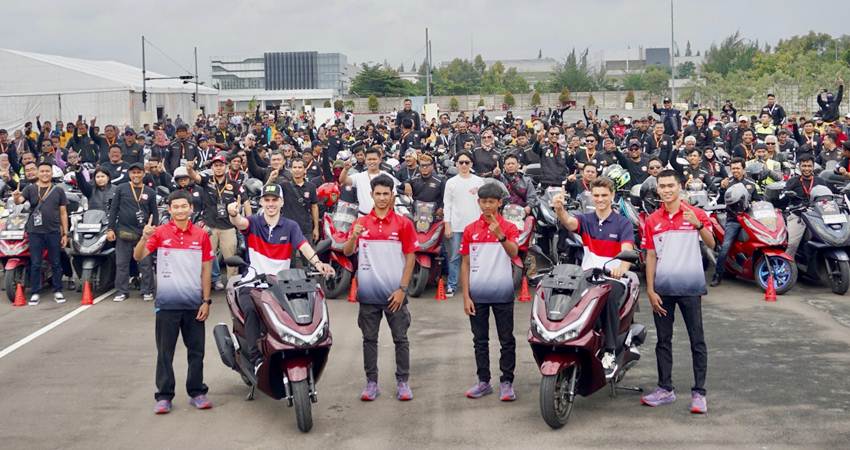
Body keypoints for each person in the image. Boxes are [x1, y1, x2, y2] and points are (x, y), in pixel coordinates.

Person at [227, 184, 333, 373]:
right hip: (253, 283)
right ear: (261, 202)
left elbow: (304, 247)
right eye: (266, 200)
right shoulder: (254, 222)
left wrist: (319, 264)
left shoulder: (291, 226)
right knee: (251, 311)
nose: (270, 204)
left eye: (274, 200)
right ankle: (255, 358)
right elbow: (240, 222)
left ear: (281, 202)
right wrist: (233, 213)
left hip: (281, 284)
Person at [133, 190, 213, 414]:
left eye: (183, 206)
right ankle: (164, 395)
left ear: (191, 209)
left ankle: (197, 392)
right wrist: (144, 237)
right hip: (167, 305)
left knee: (196, 352)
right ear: (169, 210)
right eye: (175, 207)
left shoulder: (201, 235)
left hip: (194, 304)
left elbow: (206, 269)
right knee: (165, 352)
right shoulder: (159, 233)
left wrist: (206, 301)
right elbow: (138, 256)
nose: (179, 210)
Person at [641, 169, 714, 414]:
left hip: (691, 289)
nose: (666, 190)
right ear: (658, 189)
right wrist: (650, 289)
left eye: (671, 185)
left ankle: (699, 393)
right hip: (662, 291)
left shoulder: (695, 214)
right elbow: (650, 255)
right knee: (663, 341)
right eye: (662, 186)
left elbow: (713, 243)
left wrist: (699, 224)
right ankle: (665, 389)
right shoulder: (652, 220)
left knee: (697, 340)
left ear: (680, 187)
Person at [343, 175, 417, 402]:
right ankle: (371, 383)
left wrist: (402, 289)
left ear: (392, 196)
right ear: (372, 195)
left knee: (400, 339)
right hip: (368, 296)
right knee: (369, 340)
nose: (382, 198)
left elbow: (411, 257)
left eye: (386, 194)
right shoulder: (361, 223)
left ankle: (403, 382)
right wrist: (353, 238)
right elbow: (346, 252)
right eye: (378, 194)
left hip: (395, 294)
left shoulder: (404, 223)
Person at [552, 177, 634, 376]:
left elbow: (627, 252)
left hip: (613, 279)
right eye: (596, 195)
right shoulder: (586, 219)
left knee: (608, 297)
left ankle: (610, 351)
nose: (600, 199)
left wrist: (621, 268)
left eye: (604, 195)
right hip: (587, 277)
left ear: (612, 195)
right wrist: (559, 208)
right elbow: (570, 223)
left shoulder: (623, 223)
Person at [460, 183, 520, 401]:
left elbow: (514, 253)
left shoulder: (510, 227)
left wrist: (501, 235)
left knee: (507, 340)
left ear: (499, 203)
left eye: (491, 202)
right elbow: (465, 264)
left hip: (503, 294)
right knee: (480, 341)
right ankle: (483, 381)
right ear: (479, 203)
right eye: (483, 202)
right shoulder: (469, 230)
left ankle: (507, 382)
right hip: (478, 296)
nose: (487, 206)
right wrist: (466, 296)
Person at [187, 155, 248, 290]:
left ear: (225, 167)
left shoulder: (234, 184)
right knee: (207, 257)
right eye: (216, 165)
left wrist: (250, 220)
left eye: (221, 165)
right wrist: (189, 169)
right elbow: (195, 176)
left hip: (228, 227)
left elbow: (246, 201)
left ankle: (233, 286)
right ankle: (209, 283)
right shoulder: (207, 180)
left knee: (231, 258)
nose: (218, 168)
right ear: (212, 167)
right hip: (210, 227)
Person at [12, 161, 69, 305]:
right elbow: (19, 201)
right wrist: (15, 197)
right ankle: (35, 292)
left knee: (56, 262)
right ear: (37, 173)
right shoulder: (30, 189)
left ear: (52, 173)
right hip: (35, 232)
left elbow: (63, 213)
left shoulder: (58, 190)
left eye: (47, 171)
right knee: (36, 263)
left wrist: (65, 234)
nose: (45, 174)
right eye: (42, 171)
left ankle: (57, 290)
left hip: (53, 231)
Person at [107, 162, 158, 302]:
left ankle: (147, 290)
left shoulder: (150, 192)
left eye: (139, 172)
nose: (136, 175)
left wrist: (154, 229)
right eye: (133, 173)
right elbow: (113, 210)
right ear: (129, 174)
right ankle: (122, 291)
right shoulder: (121, 189)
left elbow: (155, 213)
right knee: (121, 263)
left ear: (143, 174)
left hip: (143, 234)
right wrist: (110, 229)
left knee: (145, 264)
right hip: (123, 232)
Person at [712, 158, 760, 286]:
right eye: (733, 168)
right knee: (725, 247)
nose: (735, 171)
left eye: (738, 168)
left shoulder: (751, 183)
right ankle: (718, 275)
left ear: (743, 169)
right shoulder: (727, 183)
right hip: (733, 220)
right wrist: (722, 189)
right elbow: (720, 202)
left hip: (750, 220)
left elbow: (758, 200)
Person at [443, 151, 485, 297]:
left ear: (471, 164)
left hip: (475, 226)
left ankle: (476, 285)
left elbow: (483, 204)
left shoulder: (479, 181)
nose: (464, 165)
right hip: (456, 226)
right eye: (461, 162)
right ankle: (452, 285)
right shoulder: (451, 182)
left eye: (467, 162)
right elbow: (447, 204)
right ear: (456, 164)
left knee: (476, 257)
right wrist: (447, 224)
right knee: (455, 257)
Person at [785, 154, 826, 258]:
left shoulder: (821, 181)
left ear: (813, 167)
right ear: (799, 166)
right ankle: (787, 268)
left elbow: (830, 195)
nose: (806, 168)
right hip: (798, 216)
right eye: (804, 166)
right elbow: (784, 196)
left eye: (809, 166)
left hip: (818, 216)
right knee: (792, 244)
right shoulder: (792, 182)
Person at [339, 146, 399, 215]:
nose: (372, 162)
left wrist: (387, 214)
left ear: (380, 160)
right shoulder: (359, 176)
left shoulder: (387, 176)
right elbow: (343, 180)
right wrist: (345, 169)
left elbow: (393, 197)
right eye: (369, 159)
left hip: (383, 218)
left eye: (374, 159)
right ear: (365, 160)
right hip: (363, 217)